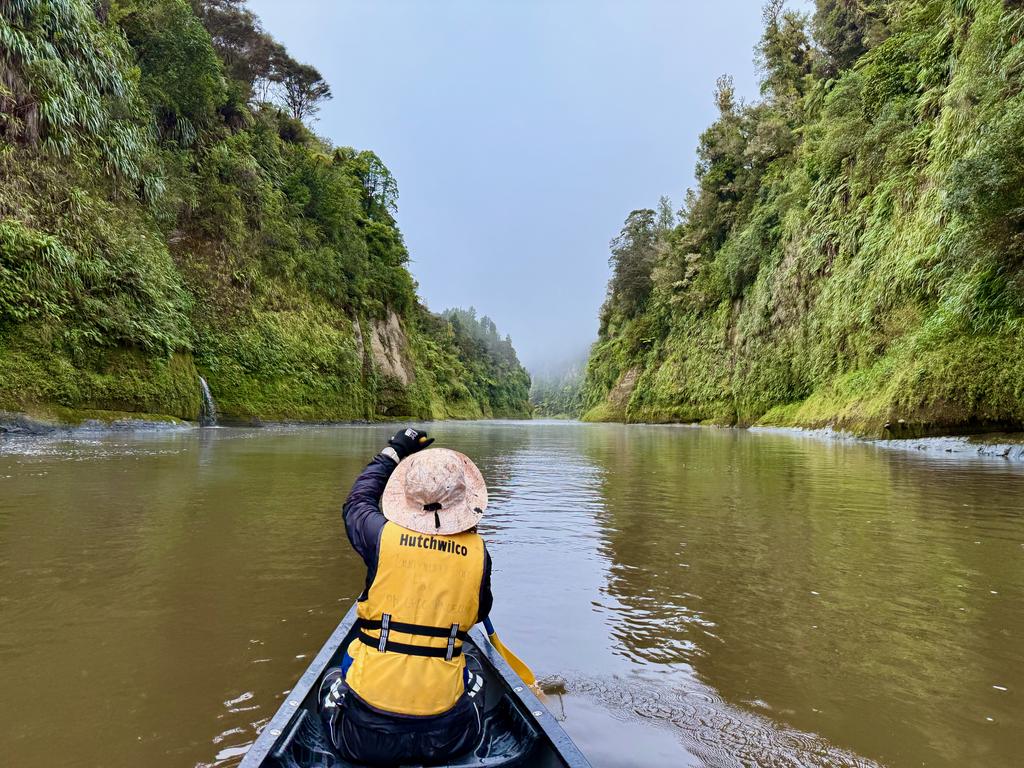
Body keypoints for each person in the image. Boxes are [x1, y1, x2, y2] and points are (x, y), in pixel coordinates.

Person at [318, 427, 493, 766]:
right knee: (473, 670)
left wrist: (394, 452)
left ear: (408, 499)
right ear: (464, 500)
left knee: (331, 680)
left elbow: (357, 500)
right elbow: (479, 612)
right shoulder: (479, 555)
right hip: (446, 739)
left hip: (365, 739)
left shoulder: (379, 537)